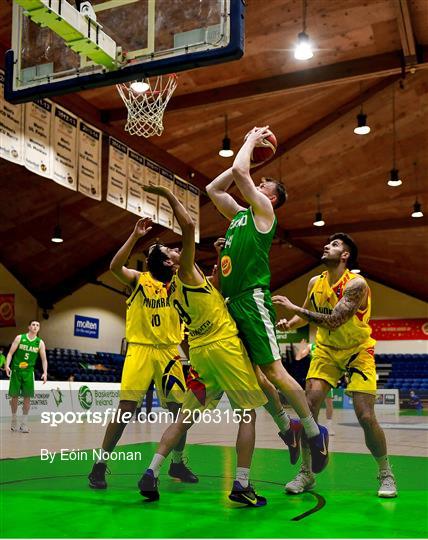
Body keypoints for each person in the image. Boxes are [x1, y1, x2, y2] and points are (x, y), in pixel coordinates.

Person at [206, 126, 329, 474]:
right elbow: (213, 188)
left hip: (250, 299)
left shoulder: (263, 213)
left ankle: (312, 431)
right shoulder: (239, 216)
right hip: (229, 304)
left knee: (275, 372)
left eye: (264, 187)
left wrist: (249, 142)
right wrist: (241, 158)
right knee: (256, 377)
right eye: (258, 185)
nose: (257, 186)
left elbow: (243, 173)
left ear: (271, 199)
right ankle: (287, 428)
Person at [138, 185, 268, 507]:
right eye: (171, 251)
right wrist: (168, 194)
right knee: (248, 413)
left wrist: (218, 273)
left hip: (199, 354)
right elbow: (189, 227)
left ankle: (152, 471)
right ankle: (241, 484)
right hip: (224, 348)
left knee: (184, 417)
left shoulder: (179, 285)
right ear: (170, 264)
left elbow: (211, 297)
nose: (177, 250)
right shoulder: (183, 273)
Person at [273, 232, 397, 498]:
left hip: (357, 351)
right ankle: (307, 473)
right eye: (328, 243)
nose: (327, 245)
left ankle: (386, 473)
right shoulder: (314, 282)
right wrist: (290, 323)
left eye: (335, 244)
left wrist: (293, 308)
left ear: (345, 255)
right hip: (327, 351)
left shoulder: (356, 284)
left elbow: (333, 320)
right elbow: (307, 315)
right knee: (310, 405)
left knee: (365, 416)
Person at [88, 218, 198, 489]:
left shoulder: (181, 282)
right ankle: (99, 465)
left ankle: (177, 463)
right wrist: (135, 236)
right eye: (164, 249)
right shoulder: (139, 279)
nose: (170, 250)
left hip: (170, 353)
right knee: (125, 410)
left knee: (180, 411)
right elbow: (114, 266)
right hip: (140, 350)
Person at [5, 320, 48, 433]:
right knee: (14, 397)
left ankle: (24, 424)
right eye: (33, 325)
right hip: (16, 371)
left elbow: (44, 359)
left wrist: (45, 372)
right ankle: (14, 420)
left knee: (27, 398)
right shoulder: (20, 338)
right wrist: (7, 365)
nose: (35, 327)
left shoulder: (40, 342)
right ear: (29, 327)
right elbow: (10, 353)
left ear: (39, 329)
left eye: (37, 325)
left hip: (29, 372)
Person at [294, 339, 335, 435]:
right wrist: (301, 347)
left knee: (329, 403)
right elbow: (298, 358)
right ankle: (311, 425)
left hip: (326, 378)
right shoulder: (311, 346)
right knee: (311, 404)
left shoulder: (330, 345)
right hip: (312, 378)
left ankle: (329, 426)